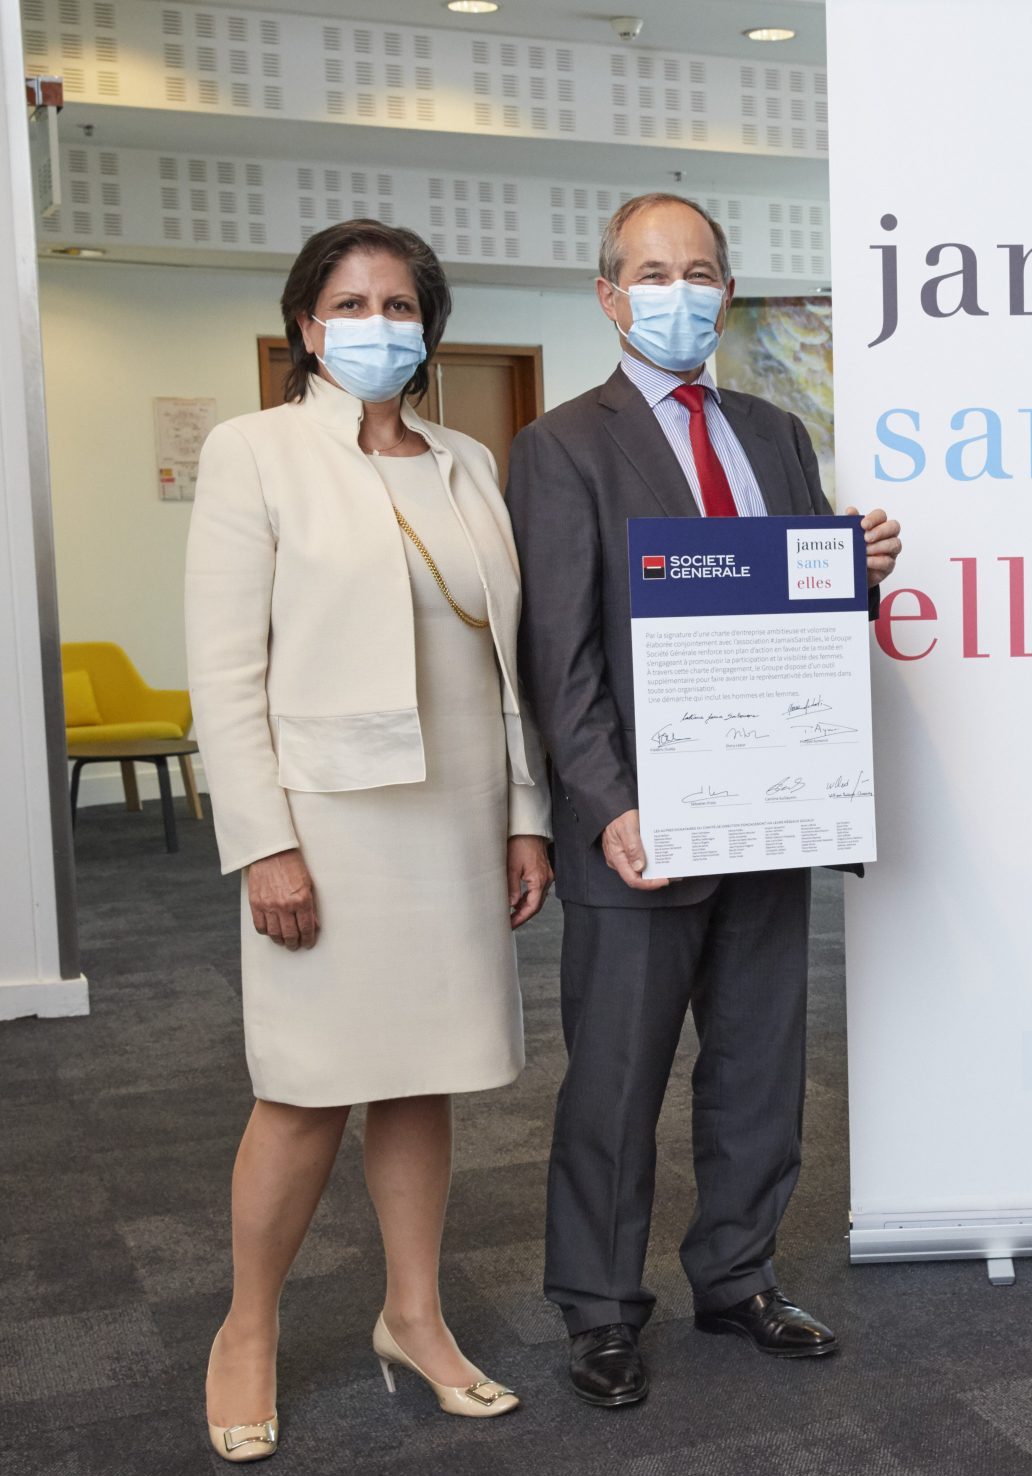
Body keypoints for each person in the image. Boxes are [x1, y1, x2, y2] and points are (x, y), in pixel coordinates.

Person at [507, 193, 902, 1408]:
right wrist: (611, 804)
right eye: (653, 271)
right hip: (638, 830)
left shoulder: (777, 435)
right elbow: (557, 657)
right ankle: (601, 1307)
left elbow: (791, 628)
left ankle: (736, 1277)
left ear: (726, 288)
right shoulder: (564, 445)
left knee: (758, 1067)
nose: (680, 290)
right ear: (610, 295)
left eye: (701, 271)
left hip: (767, 814)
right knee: (616, 1082)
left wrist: (857, 580)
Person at [186, 219, 554, 1462]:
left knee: (420, 1073)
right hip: (329, 824)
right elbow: (225, 675)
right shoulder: (256, 453)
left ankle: (415, 1315)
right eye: (351, 304)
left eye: (400, 304)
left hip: (454, 816)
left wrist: (522, 815)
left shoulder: (464, 461)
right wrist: (263, 845)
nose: (378, 324)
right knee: (302, 1089)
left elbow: (505, 666)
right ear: (306, 325)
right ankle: (248, 1326)